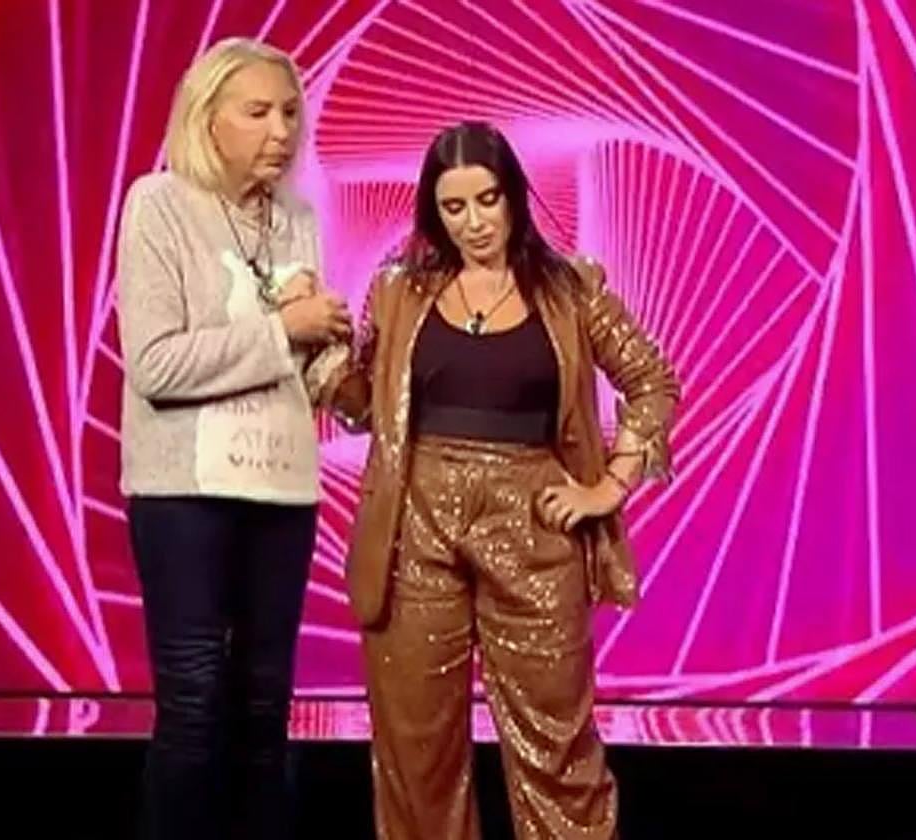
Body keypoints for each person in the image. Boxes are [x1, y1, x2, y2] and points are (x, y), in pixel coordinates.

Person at [319, 121, 680, 839]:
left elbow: (653, 382)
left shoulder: (570, 288)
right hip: (416, 527)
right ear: (434, 212)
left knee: (558, 750)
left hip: (534, 527)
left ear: (514, 195)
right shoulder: (396, 291)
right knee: (417, 753)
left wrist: (610, 485)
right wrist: (326, 366)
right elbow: (367, 407)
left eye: (488, 200)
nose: (475, 222)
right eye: (454, 207)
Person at [115, 37, 350, 840]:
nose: (281, 131)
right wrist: (286, 330)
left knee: (264, 703)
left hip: (280, 488)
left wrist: (347, 369)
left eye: (289, 112)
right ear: (207, 119)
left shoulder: (298, 220)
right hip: (185, 493)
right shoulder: (159, 204)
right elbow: (156, 364)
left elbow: (301, 367)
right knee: (193, 698)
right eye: (258, 112)